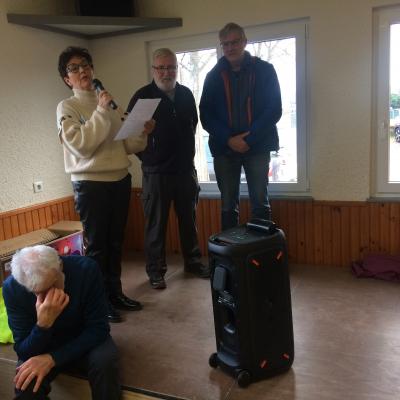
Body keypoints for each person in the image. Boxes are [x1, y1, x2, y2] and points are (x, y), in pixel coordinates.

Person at [57, 46, 154, 322]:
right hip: (91, 185)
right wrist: (101, 112)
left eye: (86, 65)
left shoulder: (109, 102)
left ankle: (115, 293)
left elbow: (128, 144)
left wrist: (142, 131)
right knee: (98, 246)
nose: (82, 71)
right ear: (67, 79)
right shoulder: (68, 107)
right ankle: (98, 302)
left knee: (115, 243)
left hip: (119, 180)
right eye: (74, 68)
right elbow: (82, 146)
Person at [127, 48, 210, 290]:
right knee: (156, 225)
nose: (167, 72)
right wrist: (150, 157)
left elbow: (192, 126)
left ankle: (193, 262)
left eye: (171, 67)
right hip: (156, 173)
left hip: (185, 171)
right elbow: (132, 137)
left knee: (189, 221)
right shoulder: (143, 97)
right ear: (153, 70)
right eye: (161, 68)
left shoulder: (185, 95)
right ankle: (155, 271)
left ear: (177, 68)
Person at [2, 245, 121, 400]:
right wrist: (43, 324)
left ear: (60, 267)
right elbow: (23, 350)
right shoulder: (12, 287)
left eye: (49, 287)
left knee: (105, 363)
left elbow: (99, 329)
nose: (45, 298)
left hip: (84, 338)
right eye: (36, 293)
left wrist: (53, 358)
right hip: (43, 344)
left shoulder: (86, 269)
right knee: (25, 381)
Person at [200, 23, 282, 230]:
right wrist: (229, 139)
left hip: (258, 146)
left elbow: (274, 109)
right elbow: (206, 115)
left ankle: (260, 257)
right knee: (228, 206)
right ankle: (231, 258)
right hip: (224, 148)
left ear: (244, 42)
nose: (230, 47)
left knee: (260, 204)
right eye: (225, 44)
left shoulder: (265, 70)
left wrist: (249, 139)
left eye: (234, 42)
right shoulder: (213, 76)